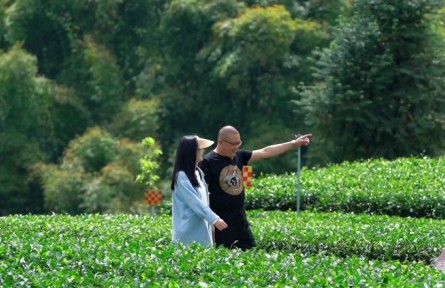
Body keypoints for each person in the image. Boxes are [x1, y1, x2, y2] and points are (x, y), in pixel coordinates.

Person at [199, 126, 312, 250]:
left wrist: (293, 144)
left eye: (239, 143)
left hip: (241, 222)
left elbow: (265, 151)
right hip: (221, 224)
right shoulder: (208, 162)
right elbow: (202, 196)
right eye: (233, 144)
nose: (236, 147)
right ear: (221, 142)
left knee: (250, 254)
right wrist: (211, 221)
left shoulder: (239, 156)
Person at [171, 135, 228, 247]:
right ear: (192, 152)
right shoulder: (182, 176)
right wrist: (214, 219)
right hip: (188, 234)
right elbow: (195, 202)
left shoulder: (198, 173)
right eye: (200, 148)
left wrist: (210, 222)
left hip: (201, 230)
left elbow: (204, 201)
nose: (203, 150)